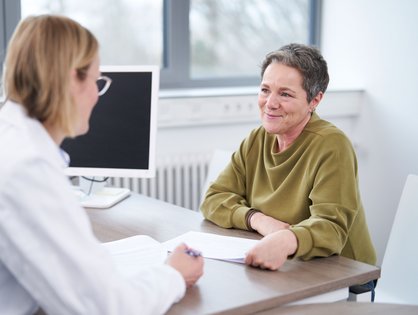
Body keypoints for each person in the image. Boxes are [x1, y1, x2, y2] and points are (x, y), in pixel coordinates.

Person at [0, 15, 203, 315]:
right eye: (97, 80)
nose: (97, 94)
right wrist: (173, 274)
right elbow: (106, 308)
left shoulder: (12, 139)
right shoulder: (28, 167)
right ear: (72, 79)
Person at [201, 43, 376, 272]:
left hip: (343, 273)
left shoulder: (332, 145)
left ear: (315, 100)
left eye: (285, 94)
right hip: (288, 264)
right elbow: (213, 199)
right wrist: (258, 220)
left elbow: (331, 229)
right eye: (265, 90)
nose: (270, 103)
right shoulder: (257, 139)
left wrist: (286, 238)